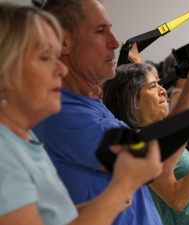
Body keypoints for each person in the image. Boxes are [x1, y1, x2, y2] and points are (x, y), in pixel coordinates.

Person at [33, 0, 189, 224]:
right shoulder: (66, 115)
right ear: (64, 41)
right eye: (100, 31)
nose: (114, 42)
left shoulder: (92, 105)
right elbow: (158, 166)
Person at [0, 4, 163, 225]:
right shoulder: (5, 154)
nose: (61, 69)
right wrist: (120, 188)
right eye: (45, 58)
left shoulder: (24, 141)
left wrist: (110, 199)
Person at [103, 62, 189, 225]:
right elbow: (177, 200)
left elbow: (184, 172)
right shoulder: (141, 143)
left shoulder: (157, 135)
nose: (163, 91)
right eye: (153, 86)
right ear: (133, 100)